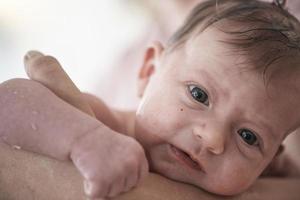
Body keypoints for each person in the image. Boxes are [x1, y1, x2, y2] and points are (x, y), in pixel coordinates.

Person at [1, 0, 300, 199]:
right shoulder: (100, 121)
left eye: (248, 137)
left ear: (269, 161)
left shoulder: (253, 182)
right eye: (199, 95)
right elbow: (8, 101)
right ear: (148, 71)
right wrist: (85, 139)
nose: (212, 138)